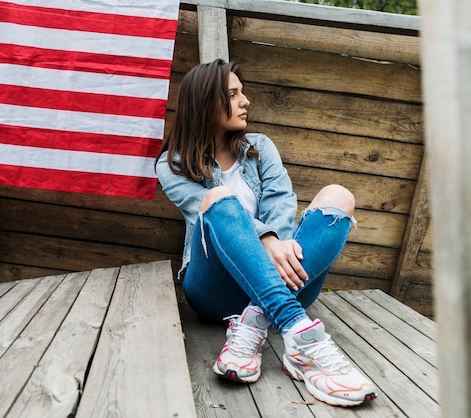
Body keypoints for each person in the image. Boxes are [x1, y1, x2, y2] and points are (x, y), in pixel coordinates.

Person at [155, 59, 377, 407]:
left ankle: (261, 317)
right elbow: (207, 213)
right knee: (218, 199)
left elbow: (281, 203)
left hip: (286, 281)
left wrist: (276, 241)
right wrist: (267, 240)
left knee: (339, 196)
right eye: (233, 94)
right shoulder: (173, 164)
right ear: (205, 103)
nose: (246, 101)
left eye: (243, 92)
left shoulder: (260, 147)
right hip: (215, 291)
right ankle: (301, 336)